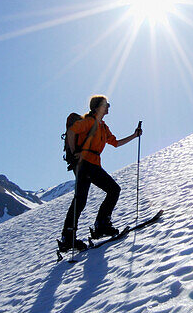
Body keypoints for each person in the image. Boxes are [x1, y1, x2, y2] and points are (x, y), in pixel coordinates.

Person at [59, 95, 142, 250]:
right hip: (84, 165)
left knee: (88, 197)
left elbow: (115, 143)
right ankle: (96, 227)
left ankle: (77, 234)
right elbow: (71, 131)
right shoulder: (89, 122)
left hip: (93, 164)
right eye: (106, 105)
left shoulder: (103, 127)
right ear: (98, 107)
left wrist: (134, 135)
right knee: (94, 195)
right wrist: (75, 152)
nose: (108, 107)